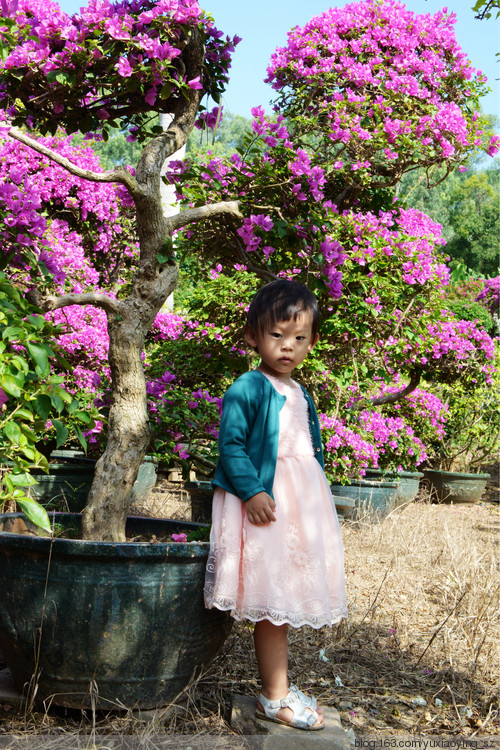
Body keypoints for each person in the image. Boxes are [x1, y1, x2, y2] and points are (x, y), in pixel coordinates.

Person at [204, 279, 347, 731]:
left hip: (298, 510)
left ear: (312, 341)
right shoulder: (248, 387)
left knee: (283, 599)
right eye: (277, 335)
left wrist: (318, 503)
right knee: (272, 602)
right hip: (265, 507)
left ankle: (280, 686)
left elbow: (310, 452)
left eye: (299, 338)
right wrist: (253, 491)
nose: (288, 347)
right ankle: (273, 695)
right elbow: (231, 446)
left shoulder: (300, 392)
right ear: (252, 336)